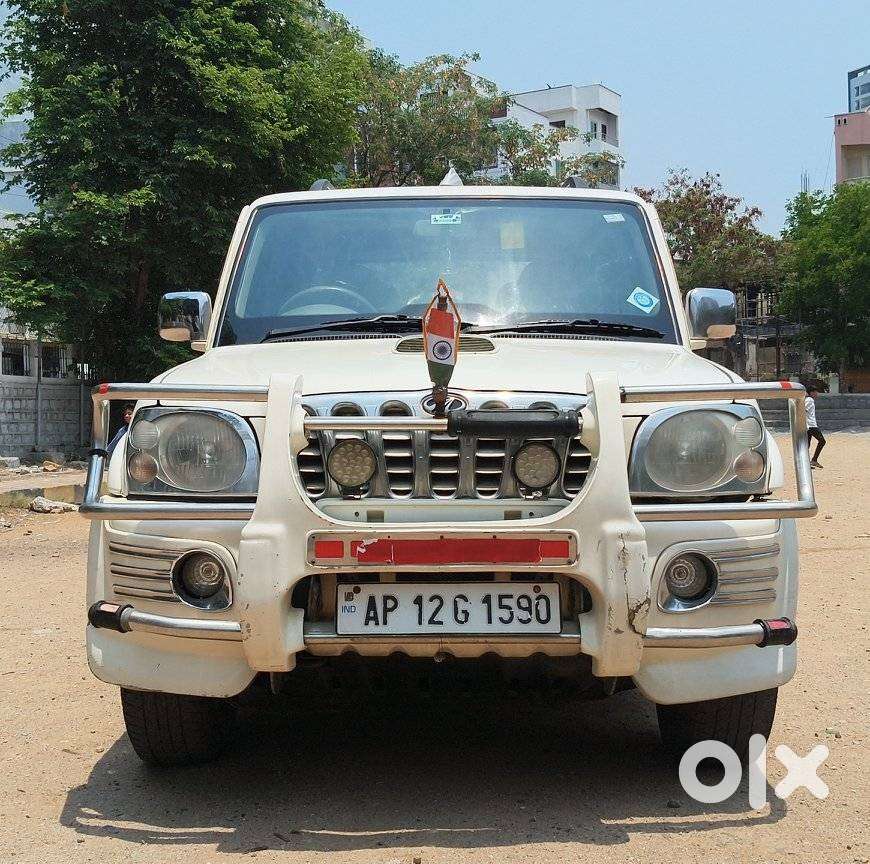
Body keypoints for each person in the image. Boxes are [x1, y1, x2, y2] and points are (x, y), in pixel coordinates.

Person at [805, 387, 825, 469]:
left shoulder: (807, 399)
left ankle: (805, 463)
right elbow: (804, 410)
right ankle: (814, 460)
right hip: (811, 425)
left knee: (807, 444)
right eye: (816, 392)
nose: (817, 394)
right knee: (822, 441)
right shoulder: (810, 400)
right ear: (812, 392)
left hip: (807, 425)